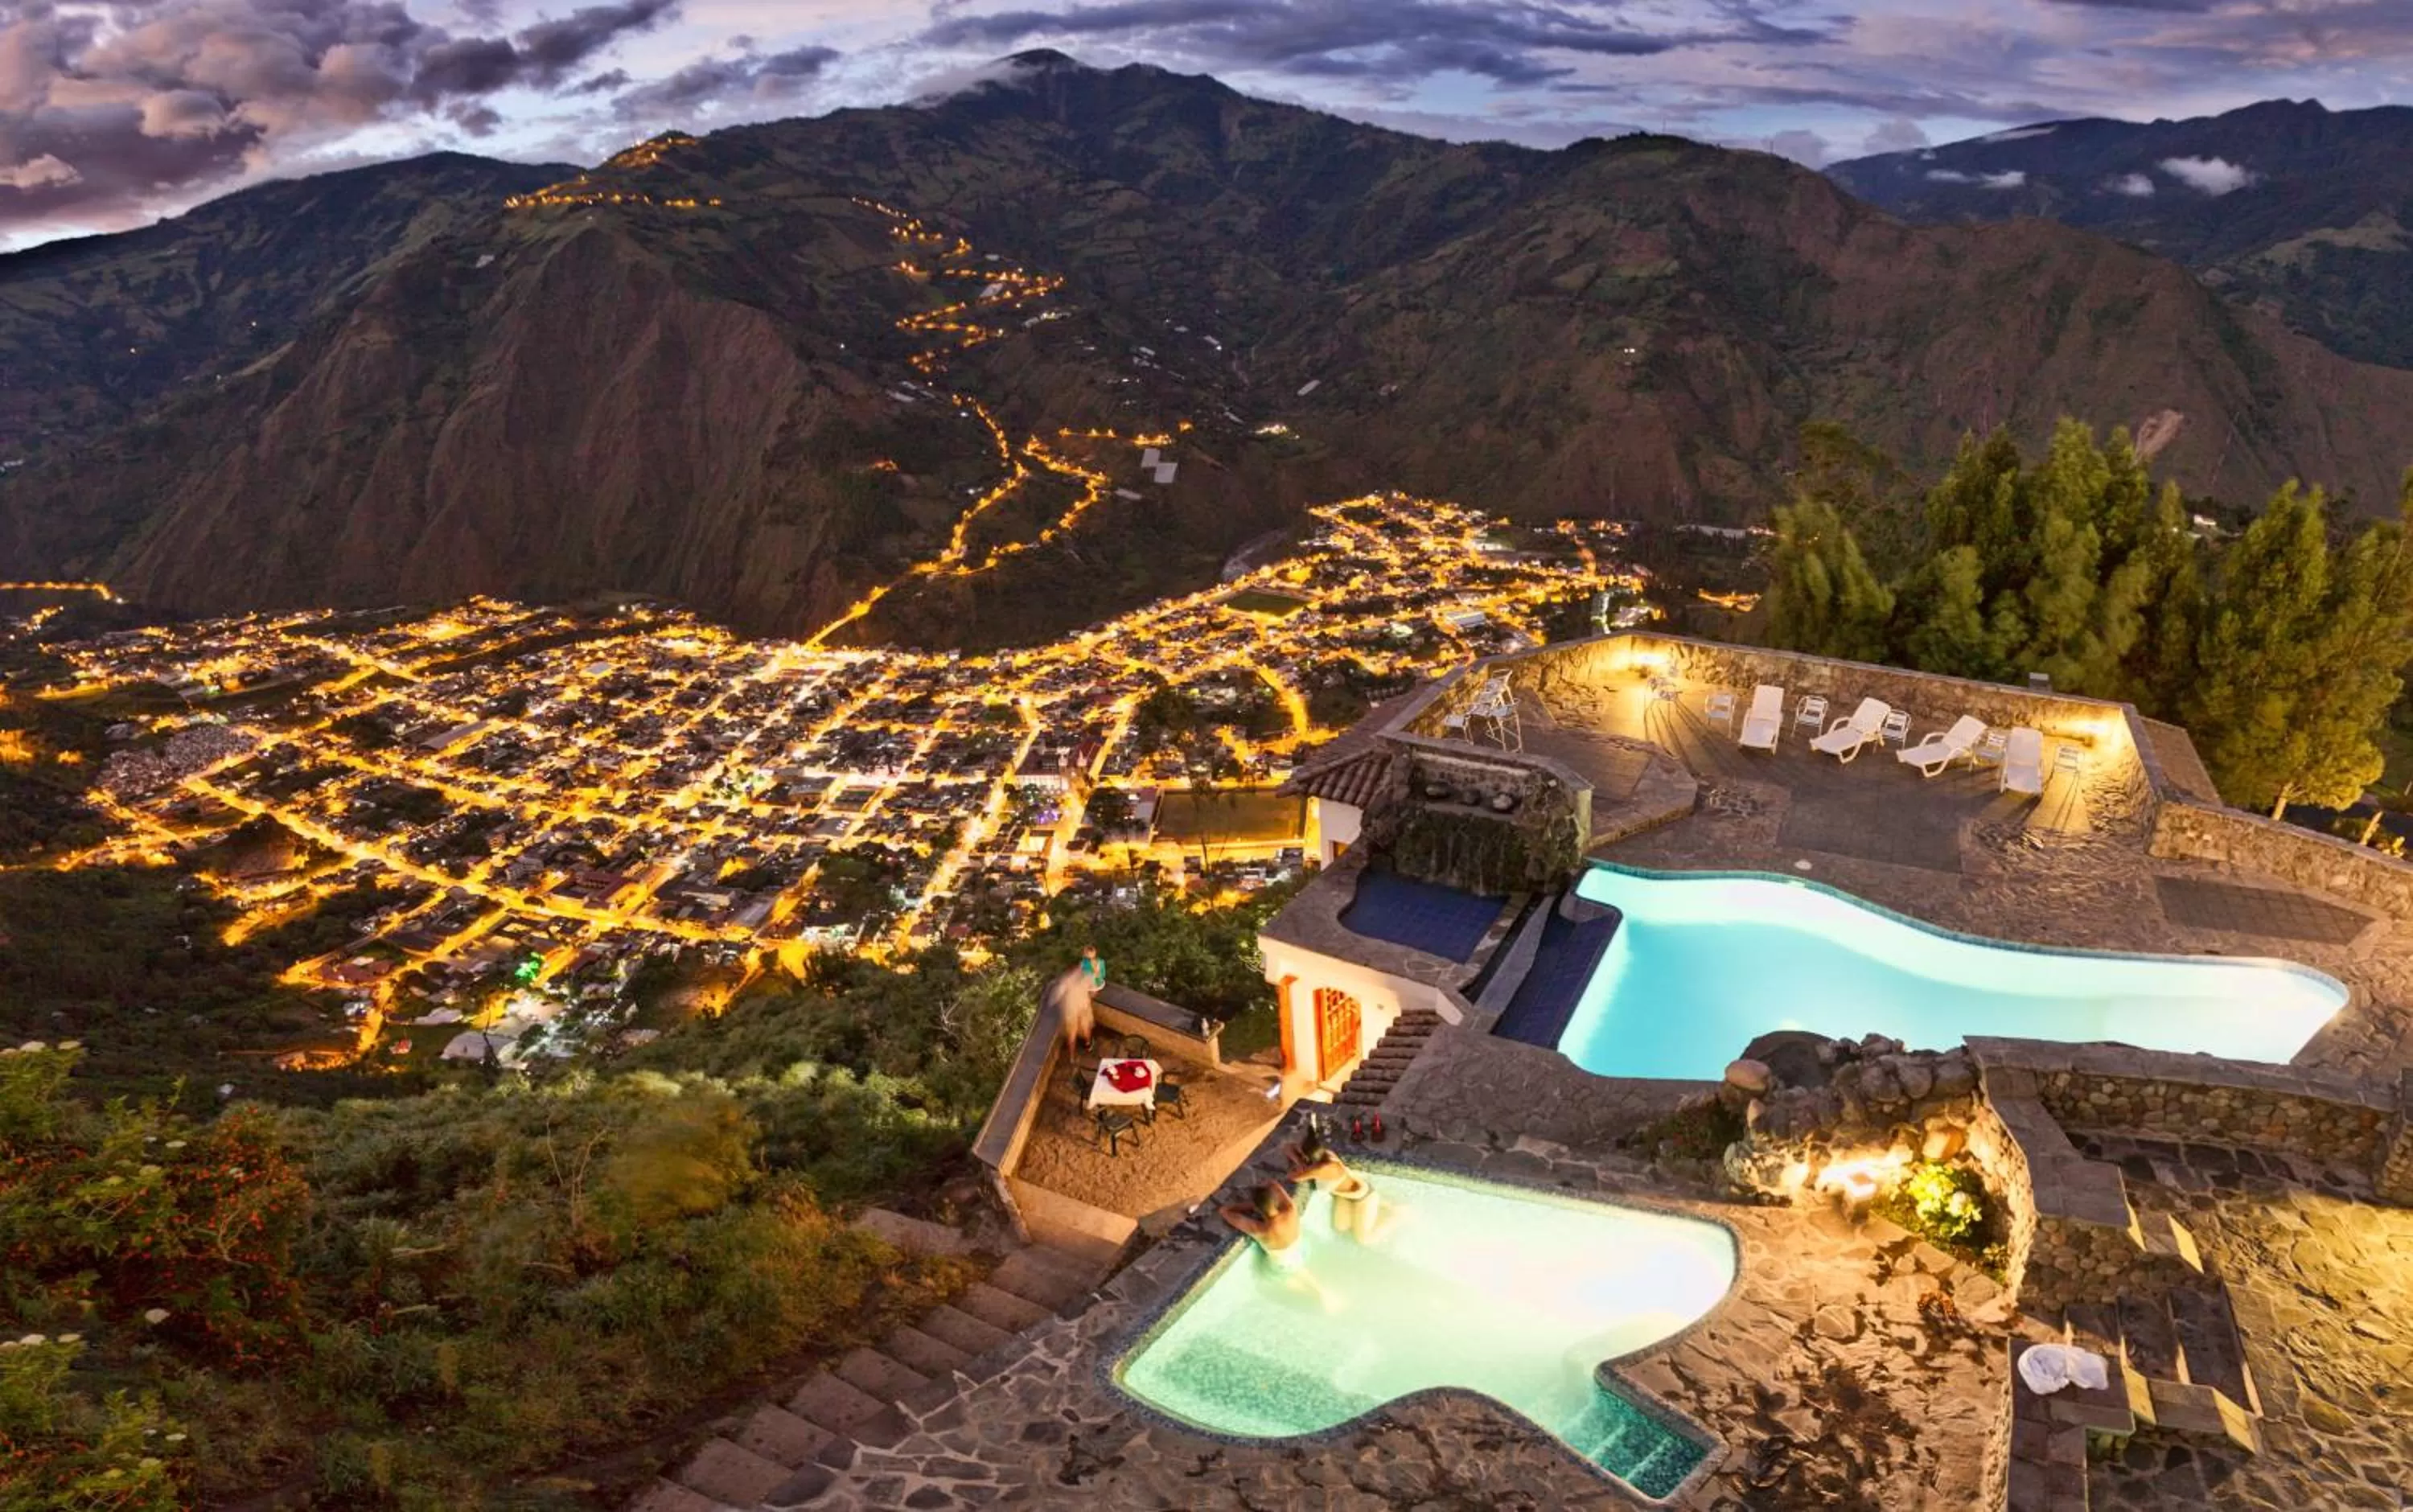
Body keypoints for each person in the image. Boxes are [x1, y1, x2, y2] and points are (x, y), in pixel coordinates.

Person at [1287, 1124, 1384, 1240]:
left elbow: (1294, 1177)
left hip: (1364, 1197)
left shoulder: (1326, 1168)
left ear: (1309, 1158)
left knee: (1363, 1239)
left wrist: (1299, 1162)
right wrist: (1300, 1159)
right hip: (1343, 1196)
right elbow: (1288, 1147)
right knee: (1341, 1228)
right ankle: (1379, 1208)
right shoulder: (1322, 1155)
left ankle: (1396, 1214)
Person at [1219, 1181, 1305, 1272]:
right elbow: (1273, 1184)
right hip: (1298, 1252)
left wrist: (1247, 1206)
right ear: (1275, 1201)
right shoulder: (1291, 1209)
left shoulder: (1261, 1230)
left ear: (1257, 1209)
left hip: (1280, 1264)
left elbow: (1224, 1212)